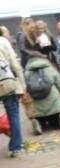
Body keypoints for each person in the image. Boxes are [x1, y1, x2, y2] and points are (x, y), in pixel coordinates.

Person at [24, 55, 60, 135]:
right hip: (53, 102)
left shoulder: (26, 73)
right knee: (55, 122)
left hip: (36, 104)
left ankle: (39, 123)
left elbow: (24, 88)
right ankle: (59, 119)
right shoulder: (50, 69)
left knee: (40, 118)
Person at [0, 28, 25, 158]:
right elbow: (15, 64)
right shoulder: (3, 42)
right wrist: (22, 82)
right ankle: (16, 147)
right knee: (13, 114)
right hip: (7, 82)